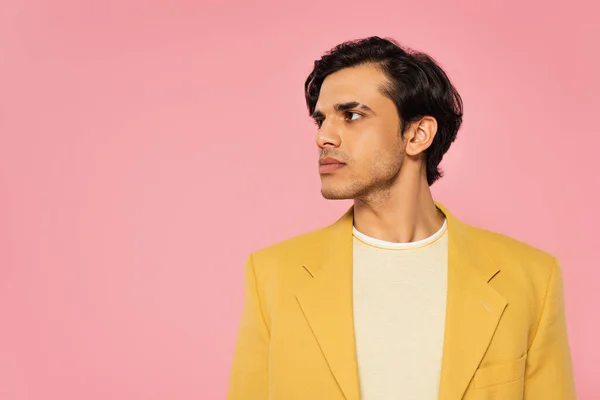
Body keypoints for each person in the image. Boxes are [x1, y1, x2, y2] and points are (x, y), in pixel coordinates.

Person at [227, 36, 575, 400]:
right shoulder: (272, 274)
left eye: (352, 115)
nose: (324, 137)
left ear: (417, 134)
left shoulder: (531, 277)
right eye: (321, 120)